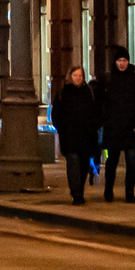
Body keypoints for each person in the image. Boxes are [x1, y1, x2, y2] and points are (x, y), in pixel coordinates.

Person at [98, 48, 135, 203]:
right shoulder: (108, 79)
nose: (122, 64)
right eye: (119, 60)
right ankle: (108, 190)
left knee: (131, 161)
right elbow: (101, 103)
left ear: (128, 61)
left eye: (124, 60)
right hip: (113, 127)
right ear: (115, 62)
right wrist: (104, 121)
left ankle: (130, 192)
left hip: (131, 128)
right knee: (111, 161)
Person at [52, 67, 101, 205]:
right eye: (75, 75)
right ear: (70, 76)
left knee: (84, 165)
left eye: (80, 75)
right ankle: (76, 193)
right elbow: (56, 114)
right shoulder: (63, 92)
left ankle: (80, 190)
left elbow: (96, 112)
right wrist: (62, 129)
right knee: (73, 163)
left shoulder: (88, 92)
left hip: (86, 136)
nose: (78, 78)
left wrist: (94, 127)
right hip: (70, 136)